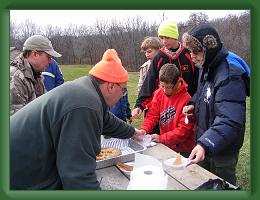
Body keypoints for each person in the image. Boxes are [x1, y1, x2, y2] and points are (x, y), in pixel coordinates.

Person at [10, 49, 144, 190]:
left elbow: (105, 119)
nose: (122, 95)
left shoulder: (87, 91)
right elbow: (78, 177)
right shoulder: (84, 105)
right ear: (110, 86)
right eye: (123, 90)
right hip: (20, 177)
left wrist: (132, 132)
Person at [182, 24, 250, 185]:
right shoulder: (207, 66)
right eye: (190, 51)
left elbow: (230, 119)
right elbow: (205, 92)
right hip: (206, 139)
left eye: (195, 52)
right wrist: (193, 104)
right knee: (203, 182)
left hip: (223, 148)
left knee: (222, 185)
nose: (192, 56)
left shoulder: (229, 74)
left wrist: (206, 143)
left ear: (208, 49)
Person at [132, 20, 199, 120]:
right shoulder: (159, 57)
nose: (163, 41)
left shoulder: (188, 54)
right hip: (164, 107)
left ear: (175, 36)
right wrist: (139, 105)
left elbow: (198, 81)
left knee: (184, 133)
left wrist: (194, 102)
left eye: (167, 37)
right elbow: (149, 83)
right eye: (161, 38)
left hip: (186, 106)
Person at [140, 63, 195, 157]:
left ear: (177, 82)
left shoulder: (187, 100)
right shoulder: (159, 93)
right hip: (167, 145)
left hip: (184, 149)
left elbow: (183, 131)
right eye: (162, 86)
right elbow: (152, 115)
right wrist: (143, 130)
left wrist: (161, 138)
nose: (165, 90)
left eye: (168, 87)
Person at [10, 35, 62, 115]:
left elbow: (43, 104)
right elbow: (16, 122)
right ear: (35, 54)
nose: (50, 62)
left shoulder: (36, 74)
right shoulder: (15, 78)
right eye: (48, 57)